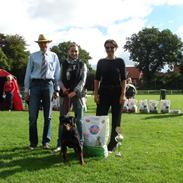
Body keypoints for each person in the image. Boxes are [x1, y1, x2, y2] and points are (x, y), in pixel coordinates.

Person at [24, 34, 61, 150]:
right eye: (41, 43)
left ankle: (46, 142)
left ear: (48, 43)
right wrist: (26, 91)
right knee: (32, 116)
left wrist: (57, 89)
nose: (43, 44)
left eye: (45, 42)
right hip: (34, 85)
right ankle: (33, 142)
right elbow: (28, 74)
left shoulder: (54, 56)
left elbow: (57, 74)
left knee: (48, 116)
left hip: (49, 85)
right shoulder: (33, 56)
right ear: (38, 44)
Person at [53, 42, 87, 153]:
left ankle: (80, 144)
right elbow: (59, 79)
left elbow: (83, 80)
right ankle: (60, 144)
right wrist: (63, 89)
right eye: (72, 51)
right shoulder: (63, 64)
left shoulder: (82, 64)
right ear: (68, 52)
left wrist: (75, 91)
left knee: (79, 120)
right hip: (65, 95)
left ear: (78, 52)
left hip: (78, 96)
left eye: (76, 51)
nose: (74, 53)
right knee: (63, 121)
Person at [94, 39, 126, 152]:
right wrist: (95, 93)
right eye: (107, 47)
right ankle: (99, 141)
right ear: (105, 49)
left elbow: (123, 79)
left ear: (115, 48)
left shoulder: (120, 61)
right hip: (104, 92)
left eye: (111, 47)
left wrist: (123, 94)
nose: (109, 49)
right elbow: (97, 79)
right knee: (100, 118)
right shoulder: (101, 62)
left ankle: (113, 144)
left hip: (117, 92)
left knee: (117, 120)